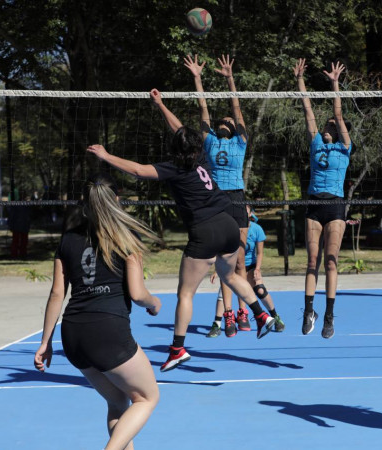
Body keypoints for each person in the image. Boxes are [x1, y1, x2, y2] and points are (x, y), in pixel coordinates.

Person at [87, 88, 275, 372]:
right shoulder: (202, 159)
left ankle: (177, 349)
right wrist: (160, 105)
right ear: (196, 147)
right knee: (229, 274)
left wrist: (107, 155)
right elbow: (182, 133)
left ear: (176, 149)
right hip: (228, 223)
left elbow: (138, 170)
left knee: (185, 294)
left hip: (206, 229)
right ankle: (261, 316)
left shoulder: (173, 167)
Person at [33, 174, 162, 450]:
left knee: (118, 402)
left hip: (73, 335)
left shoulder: (68, 239)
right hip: (107, 332)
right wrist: (155, 303)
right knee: (148, 397)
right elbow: (138, 294)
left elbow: (57, 294)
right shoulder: (126, 236)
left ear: (85, 204)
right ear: (116, 201)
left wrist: (45, 343)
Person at [183, 54, 254, 338]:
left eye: (230, 121)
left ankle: (242, 310)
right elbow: (203, 108)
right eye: (221, 120)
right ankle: (227, 314)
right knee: (222, 262)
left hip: (237, 199)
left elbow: (236, 109)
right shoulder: (210, 140)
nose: (225, 122)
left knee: (239, 261)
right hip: (216, 200)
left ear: (235, 128)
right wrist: (197, 78)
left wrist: (229, 78)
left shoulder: (240, 142)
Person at [294, 58, 354, 339]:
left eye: (333, 124)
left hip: (336, 206)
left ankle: (329, 316)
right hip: (314, 205)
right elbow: (307, 109)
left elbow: (339, 115)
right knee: (312, 261)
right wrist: (299, 80)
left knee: (331, 260)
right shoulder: (317, 142)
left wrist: (335, 83)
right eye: (328, 124)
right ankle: (309, 310)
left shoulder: (344, 147)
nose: (329, 125)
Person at [207, 205, 285, 337]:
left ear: (250, 213)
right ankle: (217, 324)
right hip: (230, 266)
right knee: (224, 289)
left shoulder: (256, 229)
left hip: (250, 267)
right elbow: (221, 252)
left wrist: (258, 269)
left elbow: (259, 253)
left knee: (260, 289)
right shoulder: (229, 229)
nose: (242, 211)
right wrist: (217, 270)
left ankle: (275, 316)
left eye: (245, 209)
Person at [7, 194, 32, 258]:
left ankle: (21, 254)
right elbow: (11, 215)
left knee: (22, 241)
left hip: (22, 226)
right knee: (17, 241)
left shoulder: (26, 205)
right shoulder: (17, 204)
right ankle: (17, 254)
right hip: (19, 226)